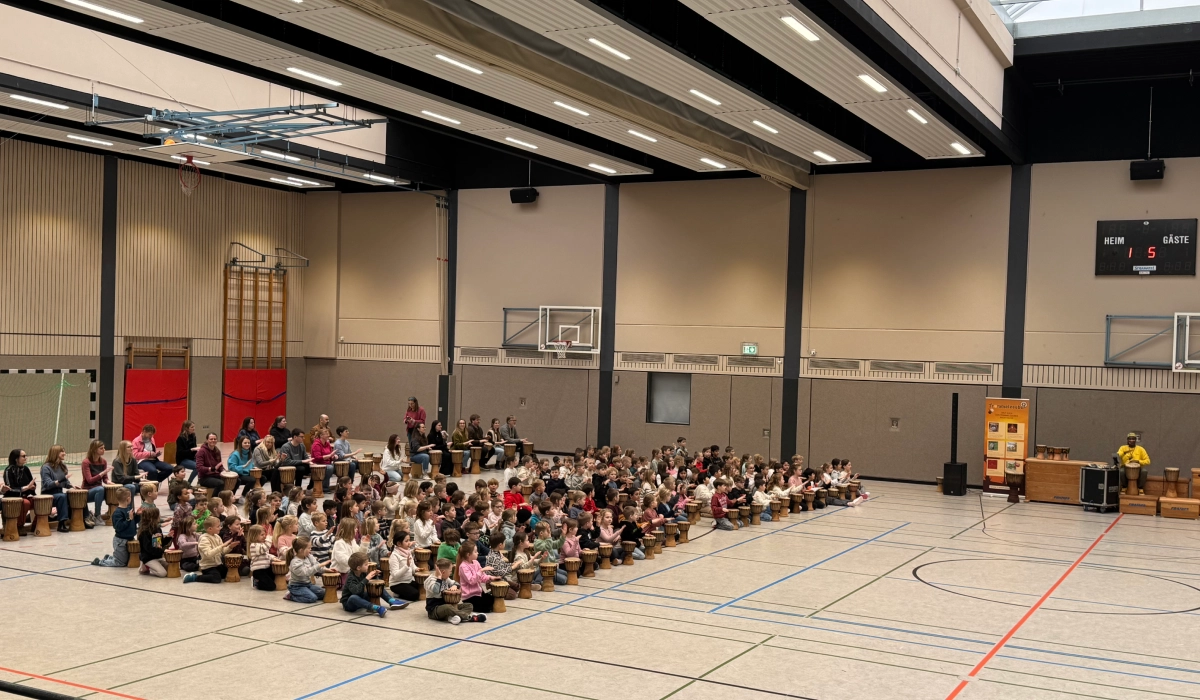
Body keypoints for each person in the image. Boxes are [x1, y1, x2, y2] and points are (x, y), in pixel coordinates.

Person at [343, 551, 407, 617]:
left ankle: (391, 601)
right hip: (349, 604)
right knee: (353, 597)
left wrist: (375, 575)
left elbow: (370, 583)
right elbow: (356, 591)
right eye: (366, 565)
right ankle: (376, 608)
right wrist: (367, 578)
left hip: (361, 597)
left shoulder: (362, 573)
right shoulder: (350, 578)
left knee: (377, 586)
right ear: (358, 568)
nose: (368, 565)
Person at [424, 557, 483, 624]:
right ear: (443, 572)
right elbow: (436, 590)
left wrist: (454, 586)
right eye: (450, 571)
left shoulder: (446, 578)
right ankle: (469, 617)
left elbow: (457, 584)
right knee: (448, 608)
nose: (451, 573)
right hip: (434, 610)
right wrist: (439, 578)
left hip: (447, 606)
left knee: (469, 605)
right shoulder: (430, 580)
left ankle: (454, 617)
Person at [183, 512, 233, 584]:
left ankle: (209, 575)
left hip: (218, 564)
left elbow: (222, 551)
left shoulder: (217, 537)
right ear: (210, 529)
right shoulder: (204, 539)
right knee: (216, 579)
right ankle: (195, 577)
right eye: (218, 526)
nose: (220, 528)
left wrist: (230, 547)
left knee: (228, 573)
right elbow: (208, 554)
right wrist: (222, 546)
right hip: (208, 566)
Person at [93, 487, 137, 567]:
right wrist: (129, 519)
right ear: (128, 499)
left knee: (127, 560)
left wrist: (138, 515)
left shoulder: (129, 508)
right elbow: (119, 527)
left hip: (130, 538)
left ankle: (109, 557)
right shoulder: (117, 513)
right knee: (121, 563)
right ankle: (100, 562)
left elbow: (134, 521)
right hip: (121, 541)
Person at [455, 541, 497, 613]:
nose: (477, 553)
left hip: (478, 592)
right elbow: (471, 580)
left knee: (492, 599)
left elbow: (482, 577)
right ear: (468, 554)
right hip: (469, 597)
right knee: (486, 607)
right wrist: (481, 570)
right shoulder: (463, 566)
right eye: (475, 551)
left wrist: (490, 577)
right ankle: (468, 606)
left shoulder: (476, 562)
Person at [285, 536, 330, 603]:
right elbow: (307, 572)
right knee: (312, 598)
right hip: (296, 586)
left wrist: (327, 570)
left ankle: (306, 592)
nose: (310, 550)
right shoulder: (295, 562)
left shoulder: (309, 557)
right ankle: (290, 595)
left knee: (324, 593)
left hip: (308, 584)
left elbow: (316, 565)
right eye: (309, 548)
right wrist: (320, 565)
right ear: (301, 550)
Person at [40, 445, 73, 533]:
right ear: (56, 453)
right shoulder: (46, 468)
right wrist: (61, 480)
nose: (64, 453)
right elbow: (47, 484)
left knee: (74, 495)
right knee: (62, 497)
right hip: (48, 494)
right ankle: (61, 523)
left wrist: (72, 486)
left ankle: (84, 518)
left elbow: (65, 483)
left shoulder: (62, 466)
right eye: (62, 451)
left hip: (59, 493)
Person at [3, 448, 36, 533]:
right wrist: (25, 488)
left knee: (39, 501)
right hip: (13, 497)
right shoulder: (8, 470)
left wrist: (32, 487)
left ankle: (36, 525)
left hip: (26, 495)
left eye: (26, 456)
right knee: (26, 503)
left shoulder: (26, 469)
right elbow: (10, 488)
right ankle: (19, 526)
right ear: (16, 458)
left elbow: (31, 483)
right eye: (23, 456)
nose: (26, 458)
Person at [80, 439, 113, 524]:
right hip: (87, 490)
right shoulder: (86, 462)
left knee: (105, 489)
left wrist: (108, 482)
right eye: (101, 448)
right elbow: (90, 480)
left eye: (104, 448)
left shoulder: (103, 461)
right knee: (100, 489)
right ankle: (97, 515)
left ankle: (111, 514)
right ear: (94, 450)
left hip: (98, 490)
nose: (104, 450)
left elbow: (105, 478)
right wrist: (102, 473)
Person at [388, 529, 421, 601]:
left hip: (408, 581)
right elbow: (395, 575)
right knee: (415, 595)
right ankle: (398, 594)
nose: (409, 543)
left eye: (409, 540)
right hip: (397, 583)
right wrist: (406, 566)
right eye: (406, 541)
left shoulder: (408, 552)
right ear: (399, 544)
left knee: (423, 587)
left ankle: (404, 592)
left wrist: (416, 569)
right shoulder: (394, 556)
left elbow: (412, 567)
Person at [137, 506, 168, 577]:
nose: (160, 516)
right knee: (163, 573)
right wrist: (160, 551)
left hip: (158, 556)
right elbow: (148, 548)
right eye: (158, 515)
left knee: (170, 569)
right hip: (148, 558)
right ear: (153, 518)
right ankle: (146, 566)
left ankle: (152, 566)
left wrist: (168, 537)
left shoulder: (158, 529)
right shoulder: (144, 532)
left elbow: (161, 543)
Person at [247, 524, 274, 590]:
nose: (264, 536)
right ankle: (257, 582)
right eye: (262, 535)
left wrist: (273, 558)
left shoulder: (262, 544)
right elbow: (264, 549)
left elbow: (266, 555)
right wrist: (269, 538)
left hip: (266, 568)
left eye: (265, 534)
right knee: (271, 587)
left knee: (274, 579)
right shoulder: (253, 545)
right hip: (259, 570)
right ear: (254, 536)